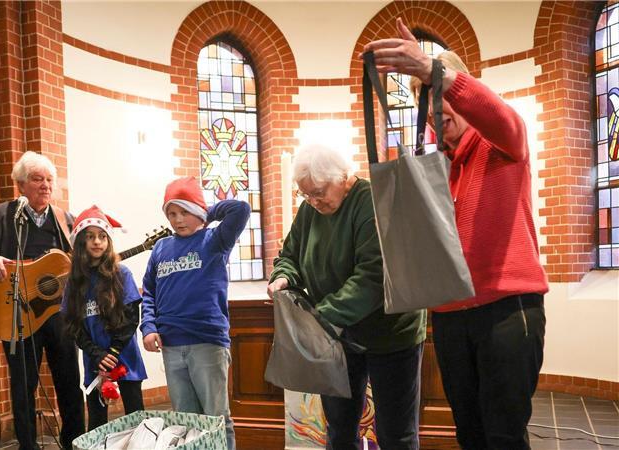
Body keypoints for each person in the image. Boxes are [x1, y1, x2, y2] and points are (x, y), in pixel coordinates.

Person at [364, 18, 549, 450]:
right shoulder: (434, 169)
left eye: (442, 95)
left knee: (503, 436)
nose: (437, 108)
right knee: (469, 434)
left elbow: (501, 117)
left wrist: (436, 73)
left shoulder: (500, 143)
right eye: (427, 99)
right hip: (450, 315)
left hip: (506, 310)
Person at [267, 144, 426, 450]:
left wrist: (320, 319)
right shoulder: (310, 211)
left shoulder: (373, 202)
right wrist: (283, 276)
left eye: (318, 192)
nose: (313, 201)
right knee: (339, 430)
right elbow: (290, 255)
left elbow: (373, 277)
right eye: (305, 195)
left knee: (395, 434)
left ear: (341, 176)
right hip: (339, 335)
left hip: (390, 334)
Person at [0, 151, 85, 450]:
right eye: (37, 179)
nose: (46, 185)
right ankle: (28, 445)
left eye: (50, 180)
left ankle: (74, 443)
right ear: (20, 184)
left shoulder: (65, 220)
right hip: (16, 311)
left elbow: (84, 263)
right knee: (22, 386)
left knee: (70, 383)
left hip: (59, 313)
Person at [140, 176, 250, 450]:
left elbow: (240, 209)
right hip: (171, 345)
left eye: (184, 211)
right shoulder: (161, 248)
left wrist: (203, 213)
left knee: (215, 417)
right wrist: (149, 327)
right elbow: (149, 292)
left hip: (206, 342)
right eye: (172, 213)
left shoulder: (214, 240)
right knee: (184, 420)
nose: (178, 219)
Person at [61, 205, 147, 431]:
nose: (97, 242)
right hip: (95, 360)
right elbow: (73, 325)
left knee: (136, 420)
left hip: (125, 356)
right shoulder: (74, 281)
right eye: (90, 237)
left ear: (108, 241)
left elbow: (131, 319)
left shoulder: (122, 273)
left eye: (102, 236)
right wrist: (97, 354)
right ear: (81, 242)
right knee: (97, 424)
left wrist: (113, 352)